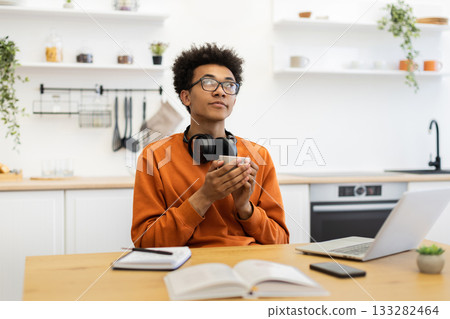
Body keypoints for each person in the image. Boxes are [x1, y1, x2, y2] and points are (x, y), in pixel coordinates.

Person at [131, 43, 289, 248]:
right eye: (208, 83)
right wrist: (204, 197)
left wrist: (244, 208)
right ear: (186, 96)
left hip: (249, 265)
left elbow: (281, 241)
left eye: (229, 85)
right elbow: (145, 242)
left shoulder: (259, 156)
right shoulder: (154, 155)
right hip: (186, 266)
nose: (221, 92)